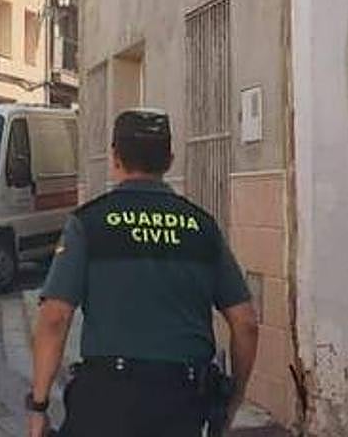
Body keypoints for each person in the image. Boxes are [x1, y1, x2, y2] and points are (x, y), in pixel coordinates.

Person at [27, 109, 259, 437]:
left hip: (106, 399)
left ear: (115, 158)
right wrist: (233, 399)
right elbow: (246, 323)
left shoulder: (89, 223)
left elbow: (55, 318)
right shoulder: (202, 227)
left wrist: (38, 406)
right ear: (170, 159)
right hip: (182, 400)